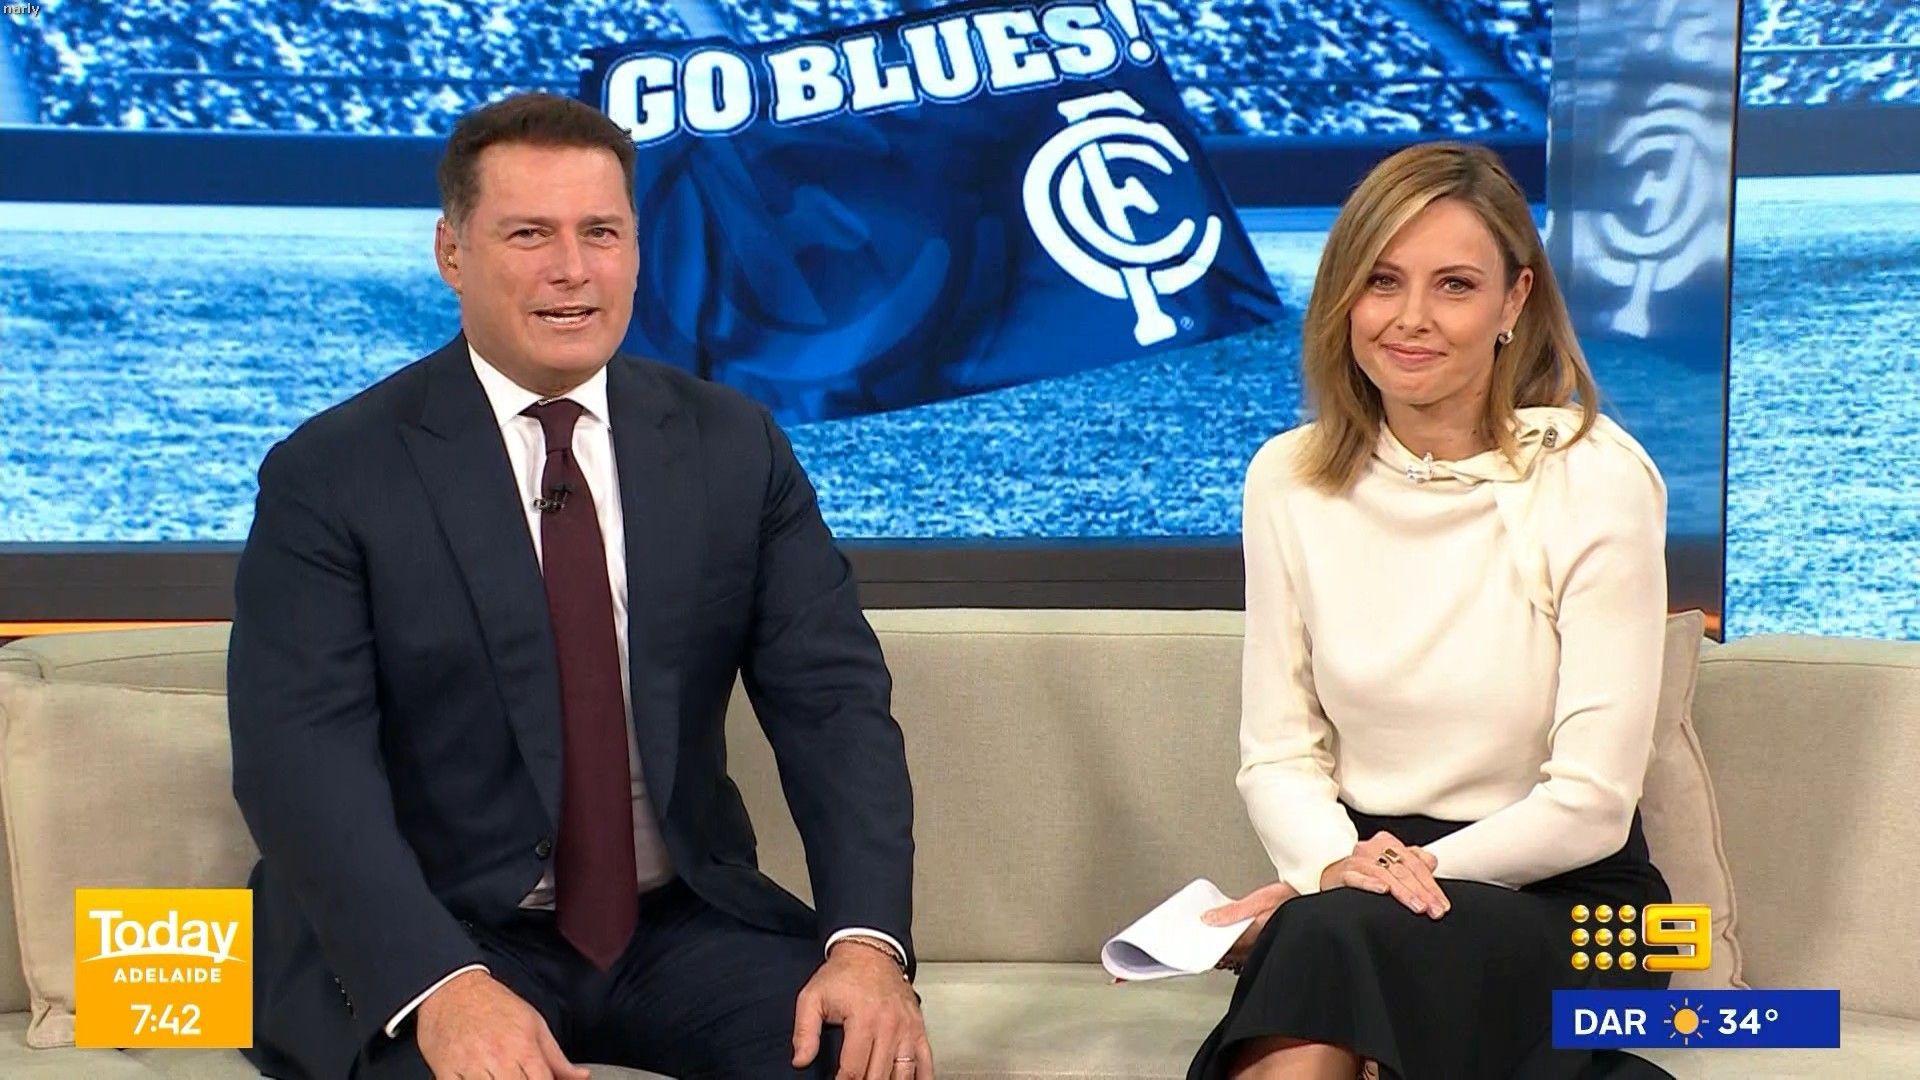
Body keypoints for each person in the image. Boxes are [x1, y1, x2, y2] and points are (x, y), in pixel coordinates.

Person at [228, 92, 934, 1080]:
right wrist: (441, 986)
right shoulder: (332, 473)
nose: (573, 269)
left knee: (857, 1062)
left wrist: (865, 947)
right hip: (443, 929)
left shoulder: (735, 446)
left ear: (636, 250)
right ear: (451, 253)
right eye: (529, 235)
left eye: (600, 233)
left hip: (678, 926)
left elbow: (833, 706)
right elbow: (300, 763)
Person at [1189, 142, 1676, 1080]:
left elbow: (1591, 806)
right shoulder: (1287, 477)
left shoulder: (1596, 476)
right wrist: (1332, 868)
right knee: (1334, 940)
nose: (1410, 318)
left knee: (1325, 942)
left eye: (1455, 285)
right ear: (1344, 298)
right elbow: (1279, 754)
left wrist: (1362, 889)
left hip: (1584, 912)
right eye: (1382, 281)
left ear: (1515, 301)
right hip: (1364, 881)